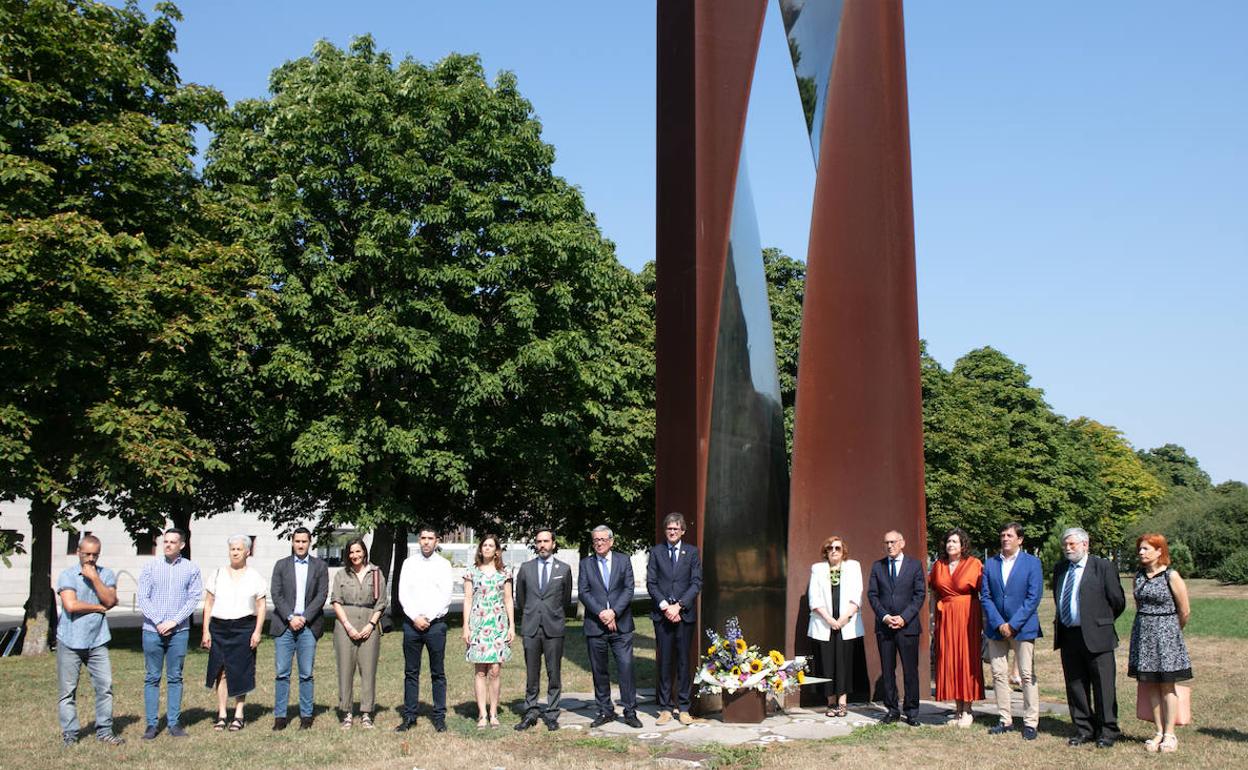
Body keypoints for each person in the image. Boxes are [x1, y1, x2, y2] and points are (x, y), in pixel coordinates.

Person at [1052, 527, 1127, 748]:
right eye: (1065, 545)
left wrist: (1100, 621)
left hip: (1098, 636)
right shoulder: (1060, 569)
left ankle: (1108, 731)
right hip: (1069, 635)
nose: (1068, 548)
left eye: (1072, 544)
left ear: (1085, 544)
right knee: (1075, 685)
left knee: (1103, 686)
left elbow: (1118, 600)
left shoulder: (1102, 566)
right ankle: (1084, 729)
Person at [55, 534, 124, 746]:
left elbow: (111, 600)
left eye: (95, 554)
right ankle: (70, 734)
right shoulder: (68, 575)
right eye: (87, 554)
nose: (91, 559)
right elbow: (71, 606)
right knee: (68, 692)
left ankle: (104, 731)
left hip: (98, 640)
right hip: (70, 640)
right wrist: (97, 607)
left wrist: (95, 579)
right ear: (79, 552)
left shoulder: (106, 574)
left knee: (105, 688)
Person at [1128, 533, 1193, 754]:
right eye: (1140, 549)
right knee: (1150, 684)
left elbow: (1184, 610)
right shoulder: (1138, 576)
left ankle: (1170, 733)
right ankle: (1157, 731)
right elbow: (1138, 604)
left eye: (1146, 548)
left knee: (1167, 685)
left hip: (1166, 636)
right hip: (1144, 635)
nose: (1141, 552)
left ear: (1159, 551)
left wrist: (1172, 632)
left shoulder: (1171, 576)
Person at [137, 527, 202, 740]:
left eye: (173, 542)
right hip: (152, 630)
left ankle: (174, 723)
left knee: (175, 677)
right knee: (152, 677)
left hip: (179, 631)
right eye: (165, 541)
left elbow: (193, 598)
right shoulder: (150, 567)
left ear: (182, 545)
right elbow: (143, 598)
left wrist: (174, 621)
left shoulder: (191, 569)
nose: (168, 545)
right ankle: (151, 724)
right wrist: (158, 622)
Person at [980, 521, 1043, 740]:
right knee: (998, 673)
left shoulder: (1032, 563)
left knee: (1026, 674)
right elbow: (986, 596)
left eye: (1009, 535)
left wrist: (1013, 624)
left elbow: (1033, 597)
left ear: (1020, 539)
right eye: (1002, 535)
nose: (1005, 538)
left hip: (1023, 627)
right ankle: (1005, 719)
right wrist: (999, 623)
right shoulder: (990, 564)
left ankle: (1030, 722)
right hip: (996, 628)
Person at [201, 534, 268, 732]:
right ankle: (222, 714)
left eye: (239, 549)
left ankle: (239, 714)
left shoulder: (255, 576)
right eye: (232, 549)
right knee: (220, 672)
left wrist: (257, 632)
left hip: (244, 628)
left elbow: (261, 606)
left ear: (247, 552)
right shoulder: (218, 574)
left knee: (240, 671)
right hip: (219, 628)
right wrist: (206, 630)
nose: (235, 552)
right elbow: (209, 603)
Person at [579, 525, 641, 728]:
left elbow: (628, 588)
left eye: (603, 539)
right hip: (595, 626)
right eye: (595, 540)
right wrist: (602, 613)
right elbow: (584, 592)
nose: (598, 543)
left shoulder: (623, 560)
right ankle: (605, 711)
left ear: (611, 541)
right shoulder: (586, 563)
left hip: (621, 625)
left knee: (626, 668)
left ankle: (630, 711)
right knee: (599, 671)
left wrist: (614, 612)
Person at [513, 527, 573, 732]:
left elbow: (565, 600)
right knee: (532, 673)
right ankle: (530, 711)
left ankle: (552, 712)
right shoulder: (526, 568)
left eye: (546, 541)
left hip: (554, 627)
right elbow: (520, 598)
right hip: (531, 627)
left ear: (553, 544)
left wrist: (551, 613)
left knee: (553, 672)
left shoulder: (563, 569)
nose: (542, 545)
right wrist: (531, 613)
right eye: (539, 542)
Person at [270, 526, 329, 730]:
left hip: (308, 627)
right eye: (297, 541)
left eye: (304, 541)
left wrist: (303, 618)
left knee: (306, 673)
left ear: (309, 542)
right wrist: (290, 617)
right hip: (284, 627)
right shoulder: (281, 565)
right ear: (292, 542)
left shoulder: (320, 566)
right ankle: (280, 716)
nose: (301, 545)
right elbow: (276, 594)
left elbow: (321, 595)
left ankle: (306, 715)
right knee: (282, 673)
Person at [647, 512, 703, 726]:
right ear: (665, 531)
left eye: (675, 529)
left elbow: (696, 582)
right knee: (664, 662)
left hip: (684, 615)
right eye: (669, 528)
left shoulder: (691, 553)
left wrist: (678, 606)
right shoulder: (656, 552)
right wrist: (665, 607)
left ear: (682, 531)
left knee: (683, 662)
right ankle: (665, 708)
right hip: (662, 616)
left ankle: (684, 708)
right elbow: (651, 583)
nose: (672, 532)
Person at [395, 527, 453, 733]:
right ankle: (410, 716)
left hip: (435, 625)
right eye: (423, 538)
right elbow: (402, 593)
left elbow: (446, 595)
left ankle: (439, 716)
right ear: (419, 540)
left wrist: (428, 617)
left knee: (438, 672)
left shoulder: (444, 565)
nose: (427, 542)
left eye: (430, 538)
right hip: (412, 625)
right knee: (411, 672)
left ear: (437, 541)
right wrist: (415, 617)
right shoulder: (409, 564)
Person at [866, 529, 926, 726]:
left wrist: (904, 617)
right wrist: (884, 617)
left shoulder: (915, 566)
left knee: (910, 671)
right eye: (886, 543)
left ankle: (912, 712)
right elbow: (872, 595)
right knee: (888, 670)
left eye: (893, 542)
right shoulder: (878, 566)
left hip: (907, 627)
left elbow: (919, 594)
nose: (889, 545)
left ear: (902, 543)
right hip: (885, 628)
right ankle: (892, 710)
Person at [330, 538, 388, 729]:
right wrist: (347, 625)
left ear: (364, 552)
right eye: (351, 552)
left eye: (358, 551)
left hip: (369, 623)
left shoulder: (376, 573)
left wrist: (371, 624)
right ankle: (346, 711)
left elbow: (381, 603)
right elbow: (336, 601)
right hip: (345, 623)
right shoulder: (341, 574)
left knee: (368, 669)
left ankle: (366, 712)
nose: (355, 555)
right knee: (345, 668)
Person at [929, 527, 984, 727]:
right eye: (948, 541)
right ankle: (957, 709)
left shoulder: (974, 564)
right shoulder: (939, 565)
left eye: (955, 542)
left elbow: (983, 592)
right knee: (950, 660)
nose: (951, 545)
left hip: (967, 615)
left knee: (966, 659)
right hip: (946, 616)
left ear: (963, 545)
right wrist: (933, 616)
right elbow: (934, 592)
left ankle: (968, 709)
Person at [461, 534, 516, 728]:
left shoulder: (505, 573)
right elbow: (468, 599)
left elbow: (508, 599)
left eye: (490, 545)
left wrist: (512, 625)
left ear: (497, 551)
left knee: (495, 669)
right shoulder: (472, 572)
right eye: (484, 545)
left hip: (498, 625)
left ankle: (494, 713)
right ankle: (482, 714)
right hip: (478, 624)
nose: (486, 548)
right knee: (480, 670)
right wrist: (466, 626)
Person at [806, 535, 864, 718]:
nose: (834, 551)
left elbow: (857, 594)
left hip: (847, 623)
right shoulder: (817, 569)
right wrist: (829, 619)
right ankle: (830, 702)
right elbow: (814, 598)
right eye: (830, 548)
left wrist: (845, 618)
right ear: (825, 552)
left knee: (844, 663)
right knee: (827, 663)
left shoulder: (853, 567)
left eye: (837, 548)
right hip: (824, 624)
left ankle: (843, 703)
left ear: (843, 551)